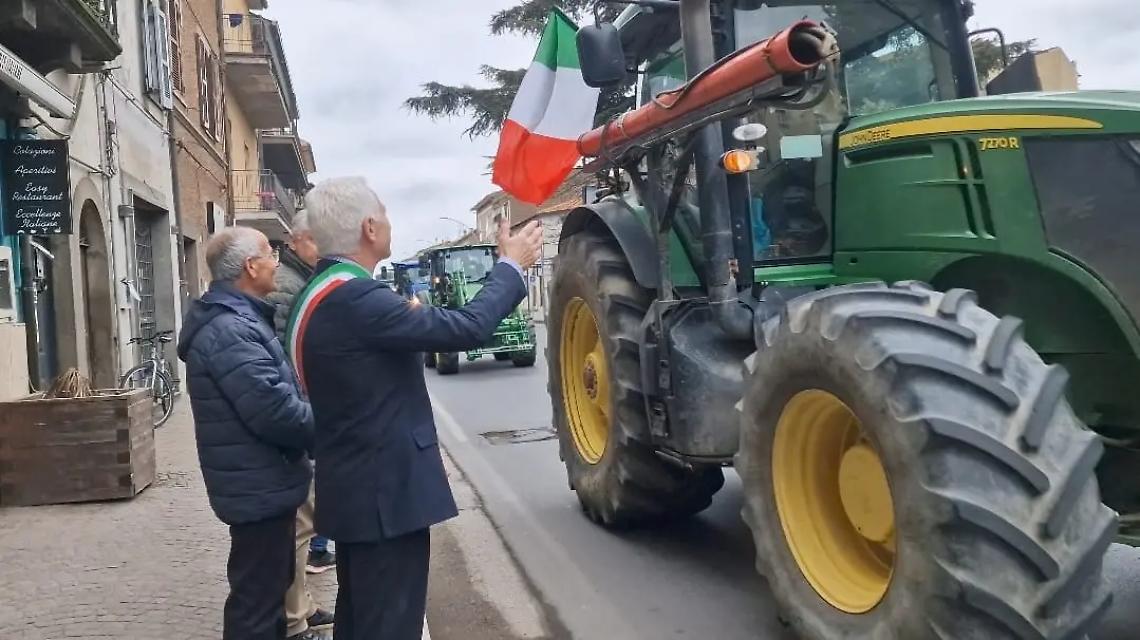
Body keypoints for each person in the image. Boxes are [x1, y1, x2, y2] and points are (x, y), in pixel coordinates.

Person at [289, 177, 542, 640]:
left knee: (362, 620)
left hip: (359, 491)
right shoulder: (357, 298)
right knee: (389, 625)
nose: (389, 220)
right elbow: (466, 327)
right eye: (384, 213)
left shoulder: (323, 292)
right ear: (369, 227)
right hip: (385, 498)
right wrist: (510, 266)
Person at [176, 227, 315, 640]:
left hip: (261, 485)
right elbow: (275, 412)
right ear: (251, 267)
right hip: (258, 488)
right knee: (255, 605)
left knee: (266, 596)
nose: (276, 260)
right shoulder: (230, 331)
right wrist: (337, 423)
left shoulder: (238, 320)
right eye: (269, 254)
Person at [265, 213, 336, 640]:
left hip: (303, 414)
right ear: (301, 240)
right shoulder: (289, 286)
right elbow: (287, 361)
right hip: (299, 418)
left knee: (307, 522)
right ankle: (294, 619)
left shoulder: (298, 279)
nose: (325, 251)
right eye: (320, 242)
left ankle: (303, 605)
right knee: (301, 523)